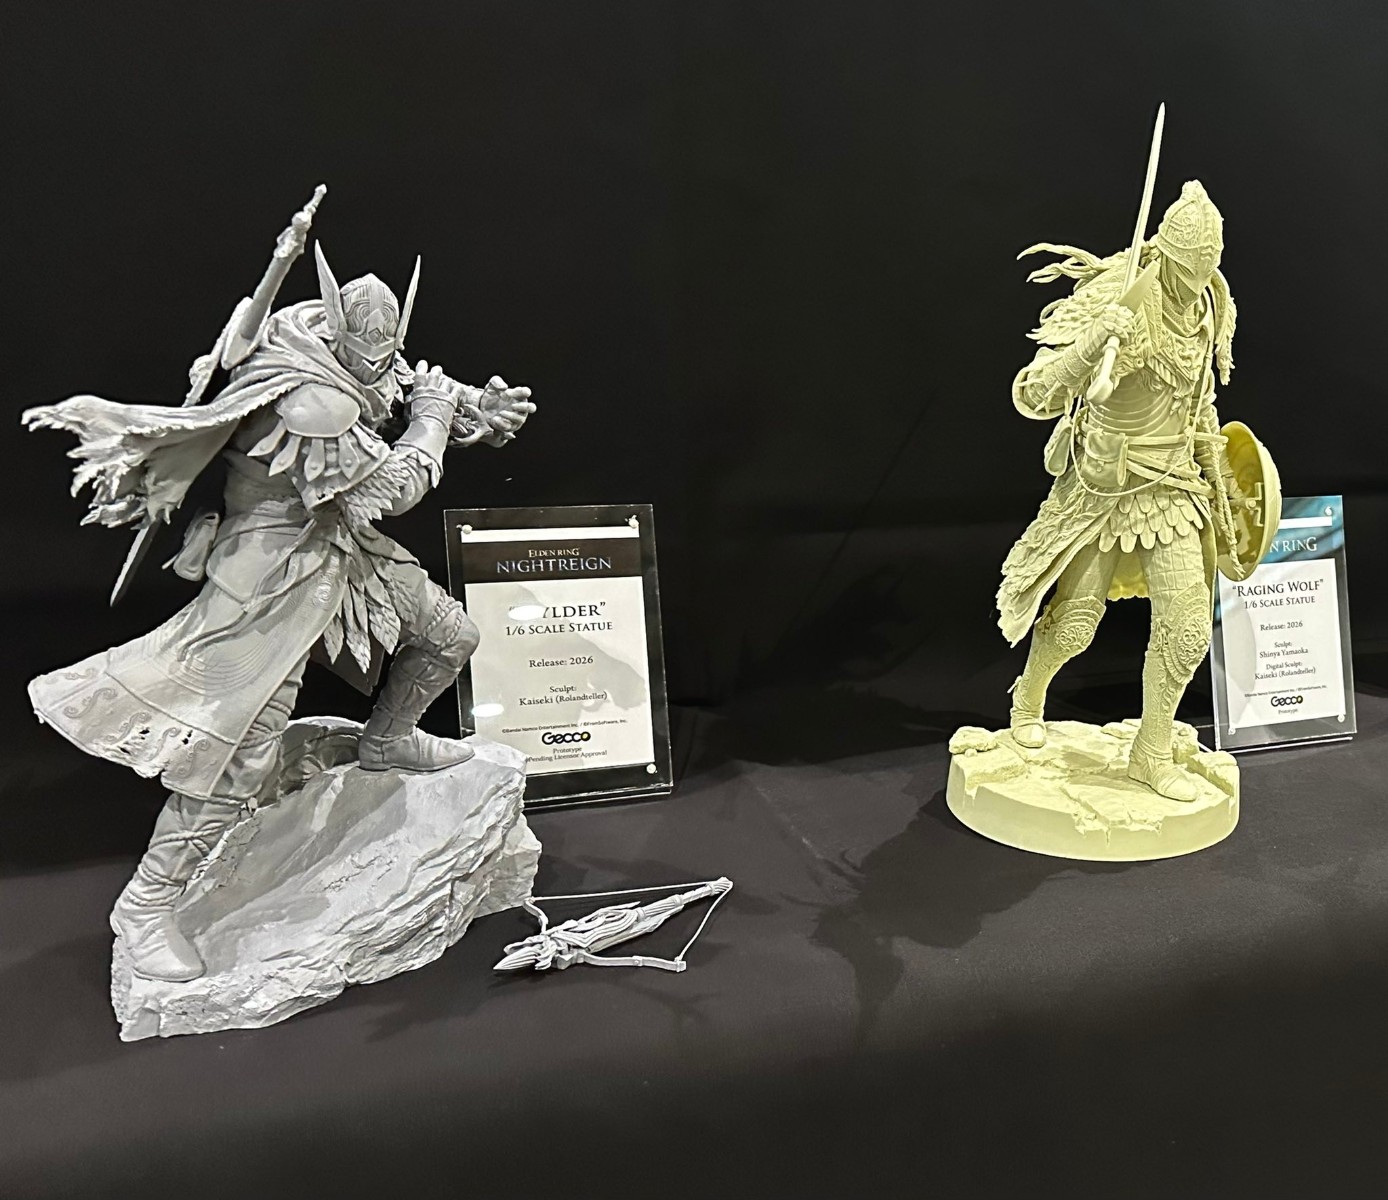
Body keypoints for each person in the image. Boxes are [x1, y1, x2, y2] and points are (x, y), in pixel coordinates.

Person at [25, 202, 535, 982]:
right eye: (368, 357)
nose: (382, 368)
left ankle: (386, 740)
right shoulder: (308, 397)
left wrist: (474, 409)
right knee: (237, 757)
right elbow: (391, 487)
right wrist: (433, 422)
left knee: (449, 635)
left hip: (336, 546)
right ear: (337, 338)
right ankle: (147, 905)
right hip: (270, 577)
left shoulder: (336, 343)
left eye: (384, 354)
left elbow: (409, 382)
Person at [998, 180, 1243, 802]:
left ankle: (1150, 753)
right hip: (1104, 486)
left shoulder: (1212, 304)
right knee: (1075, 625)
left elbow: (1200, 401)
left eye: (1207, 269)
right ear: (1165, 254)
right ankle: (1028, 698)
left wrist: (1219, 478)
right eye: (1188, 269)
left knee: (1188, 629)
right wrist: (1090, 345)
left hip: (1174, 486)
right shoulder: (1119, 294)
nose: (1196, 282)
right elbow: (1033, 394)